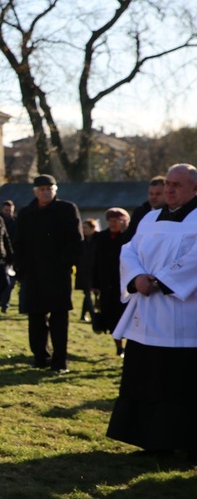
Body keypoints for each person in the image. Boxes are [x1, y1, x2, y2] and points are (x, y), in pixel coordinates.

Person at [107, 163, 197, 454]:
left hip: (180, 315)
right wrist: (136, 278)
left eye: (177, 185)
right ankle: (144, 437)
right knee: (144, 378)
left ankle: (178, 443)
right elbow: (129, 250)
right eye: (167, 183)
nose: (169, 189)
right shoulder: (149, 217)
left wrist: (160, 280)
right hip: (145, 315)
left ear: (194, 188)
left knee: (176, 382)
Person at [14, 174, 83, 374]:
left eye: (49, 188)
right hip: (33, 272)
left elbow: (76, 241)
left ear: (55, 190)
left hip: (58, 273)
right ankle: (40, 357)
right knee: (35, 317)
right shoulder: (27, 212)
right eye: (41, 189)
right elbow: (19, 242)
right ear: (35, 192)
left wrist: (66, 263)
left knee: (59, 318)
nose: (45, 192)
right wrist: (20, 268)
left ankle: (60, 361)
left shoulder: (66, 209)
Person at [91, 208, 129, 357]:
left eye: (117, 221)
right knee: (111, 316)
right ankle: (119, 346)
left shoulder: (129, 237)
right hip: (107, 283)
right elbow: (96, 260)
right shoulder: (101, 237)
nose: (113, 224)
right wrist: (95, 283)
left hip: (125, 283)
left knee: (125, 314)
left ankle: (128, 343)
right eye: (111, 221)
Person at [121, 175, 165, 243]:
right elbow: (130, 238)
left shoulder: (173, 213)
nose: (153, 197)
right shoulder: (139, 213)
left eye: (158, 194)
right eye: (151, 194)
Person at [75, 218, 98, 322]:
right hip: (84, 270)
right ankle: (92, 315)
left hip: (95, 270)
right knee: (87, 292)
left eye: (86, 227)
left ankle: (84, 315)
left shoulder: (98, 239)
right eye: (83, 227)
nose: (84, 230)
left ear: (92, 228)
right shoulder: (81, 241)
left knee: (89, 293)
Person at [0, 200, 17, 312]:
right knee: (2, 282)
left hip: (12, 255)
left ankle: (4, 303)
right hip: (0, 255)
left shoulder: (16, 222)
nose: (8, 212)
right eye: (6, 210)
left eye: (9, 210)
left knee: (10, 282)